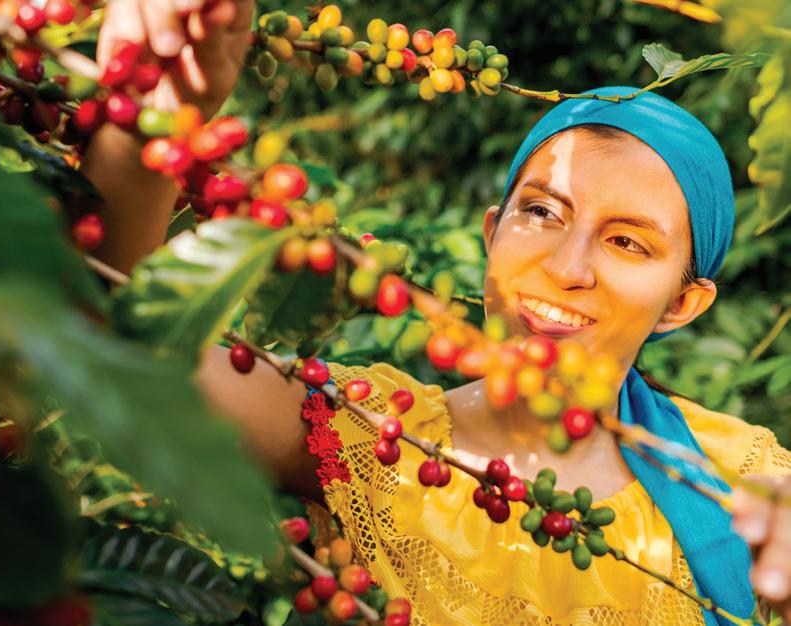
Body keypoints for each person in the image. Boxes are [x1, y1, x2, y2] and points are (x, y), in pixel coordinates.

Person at [87, 1, 791, 624]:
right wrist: (149, 115)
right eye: (542, 212)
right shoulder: (376, 436)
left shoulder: (744, 481)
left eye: (627, 242)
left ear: (681, 303)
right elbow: (110, 349)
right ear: (492, 233)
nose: (567, 268)